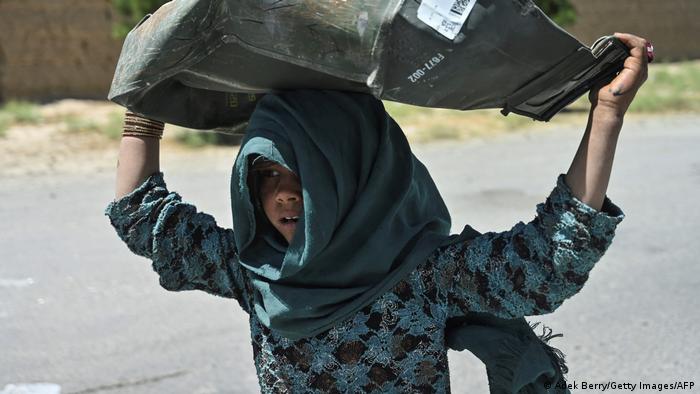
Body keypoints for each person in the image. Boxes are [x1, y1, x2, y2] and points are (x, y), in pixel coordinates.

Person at [105, 33, 649, 393]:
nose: (286, 195)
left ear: (359, 174)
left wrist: (606, 114)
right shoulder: (255, 269)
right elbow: (143, 218)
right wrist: (143, 107)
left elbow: (548, 260)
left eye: (309, 173)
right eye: (268, 174)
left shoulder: (424, 273)